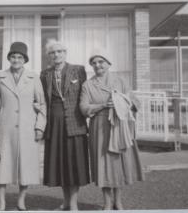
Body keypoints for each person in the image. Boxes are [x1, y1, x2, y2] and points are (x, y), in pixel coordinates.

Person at [79, 52, 144, 210]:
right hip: (99, 127)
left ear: (109, 63)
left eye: (101, 61)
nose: (97, 65)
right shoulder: (87, 85)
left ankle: (118, 200)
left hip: (119, 126)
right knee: (103, 165)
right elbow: (83, 108)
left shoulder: (120, 81)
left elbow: (135, 102)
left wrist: (123, 100)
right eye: (94, 63)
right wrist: (102, 105)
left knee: (117, 164)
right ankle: (107, 201)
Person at [0, 42, 46, 211]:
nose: (16, 60)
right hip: (5, 126)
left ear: (24, 60)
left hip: (27, 128)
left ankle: (21, 200)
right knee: (2, 165)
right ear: (9, 58)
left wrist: (39, 127)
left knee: (26, 166)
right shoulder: (0, 77)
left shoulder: (33, 77)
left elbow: (42, 103)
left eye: (20, 57)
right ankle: (1, 202)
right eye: (13, 57)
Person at [40, 40, 90, 211]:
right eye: (53, 52)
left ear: (65, 53)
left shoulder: (78, 70)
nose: (57, 55)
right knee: (60, 164)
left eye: (60, 51)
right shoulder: (45, 74)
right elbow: (42, 99)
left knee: (74, 164)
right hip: (54, 124)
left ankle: (74, 203)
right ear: (49, 55)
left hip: (74, 122)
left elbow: (86, 95)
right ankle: (66, 201)